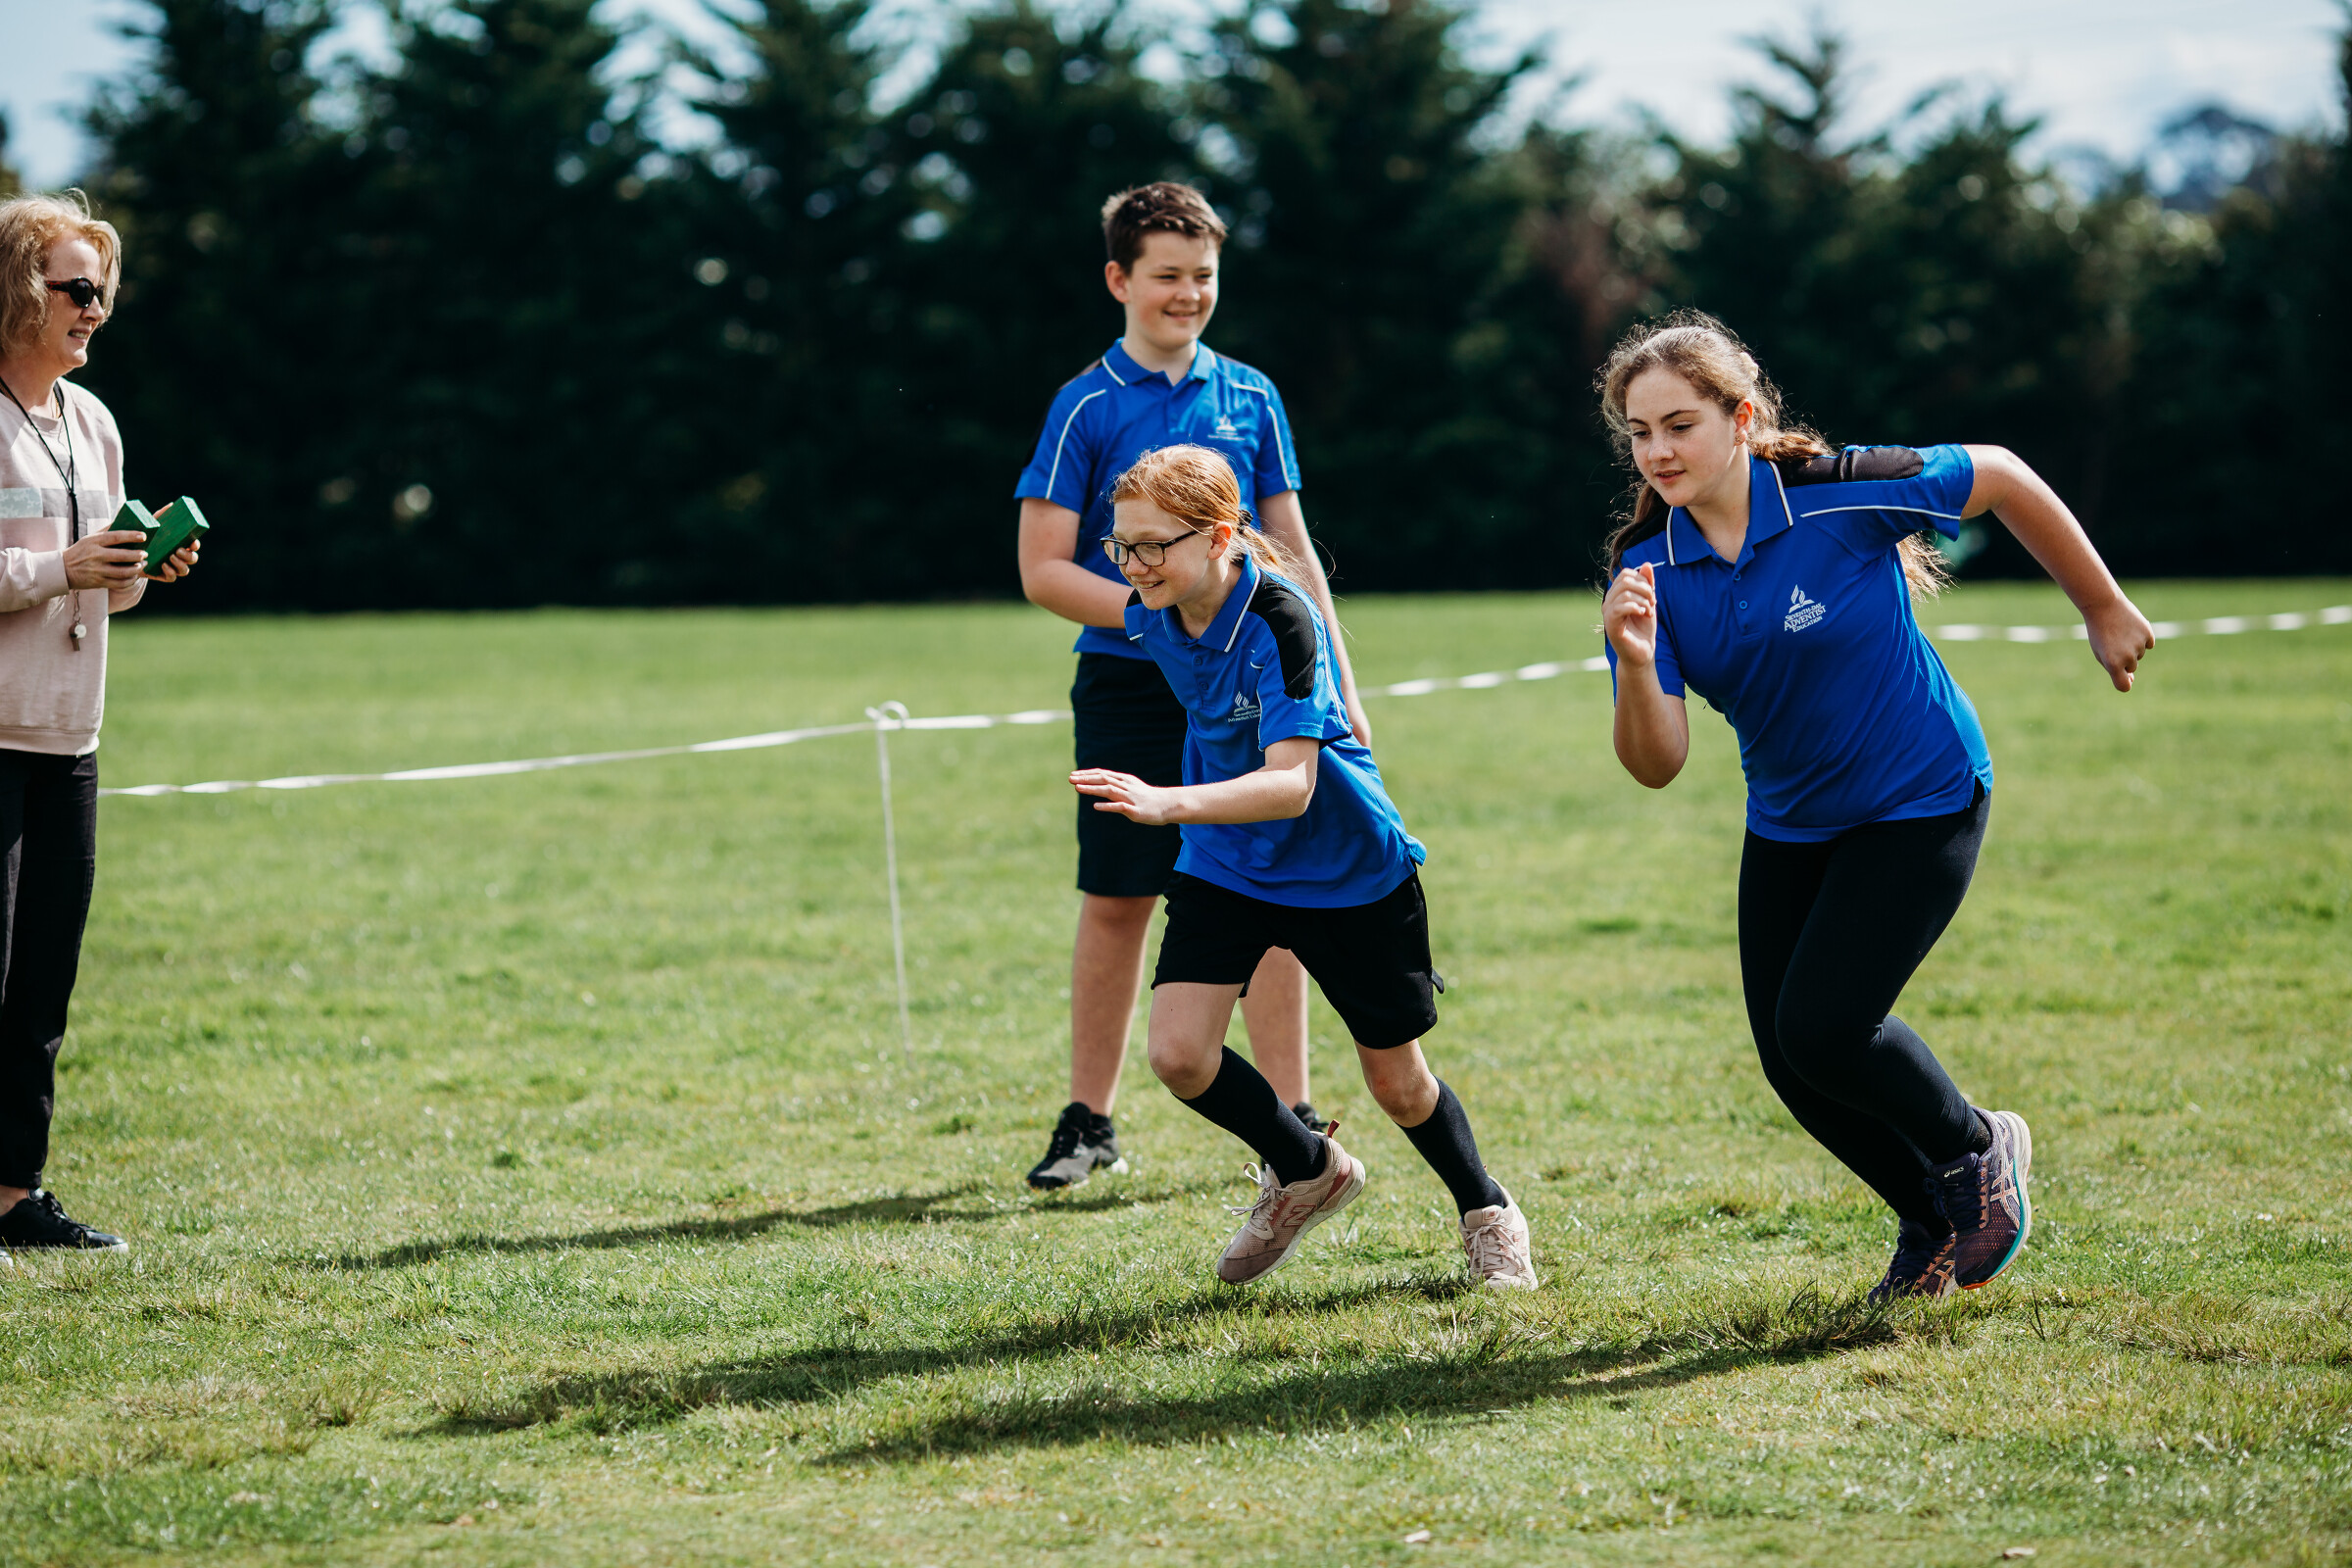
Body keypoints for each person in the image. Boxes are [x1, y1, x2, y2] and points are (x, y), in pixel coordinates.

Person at [1595, 312, 2153, 1300]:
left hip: (1920, 794)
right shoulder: (1646, 571)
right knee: (1792, 1060)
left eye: (1680, 425)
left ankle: (1978, 1147)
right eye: (1640, 433)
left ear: (1742, 418)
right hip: (1792, 822)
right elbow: (1657, 763)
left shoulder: (1838, 493)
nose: (1659, 451)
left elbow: (2002, 473)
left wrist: (2100, 605)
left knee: (1825, 1026)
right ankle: (1931, 1220)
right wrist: (1636, 666)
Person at [1072, 444, 1536, 1289]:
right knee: (1179, 1054)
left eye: (1152, 545)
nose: (1133, 565)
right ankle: (1308, 1168)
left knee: (1398, 1084)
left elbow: (1292, 786)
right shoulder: (1150, 611)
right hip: (1229, 860)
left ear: (1219, 537)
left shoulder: (1284, 619)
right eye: (1121, 546)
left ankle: (1488, 1210)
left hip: (1345, 869)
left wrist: (1167, 802)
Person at [1013, 182, 1368, 1190]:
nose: (1188, 294)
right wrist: (1154, 619)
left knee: (1273, 888)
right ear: (1119, 280)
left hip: (1253, 684)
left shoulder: (1252, 395)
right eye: (1166, 275)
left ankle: (1293, 1123)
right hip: (1128, 689)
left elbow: (1290, 548)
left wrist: (1342, 682)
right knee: (1119, 896)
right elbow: (1042, 568)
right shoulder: (1085, 405)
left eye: (1203, 276)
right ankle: (1088, 1121)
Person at [0, 191, 201, 1253]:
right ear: (16, 291)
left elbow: (101, 592)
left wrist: (137, 567)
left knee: (42, 985)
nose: (95, 308)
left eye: (104, 291)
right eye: (76, 288)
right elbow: (43, 572)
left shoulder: (93, 422)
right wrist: (59, 568)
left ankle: (12, 1196)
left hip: (70, 739)